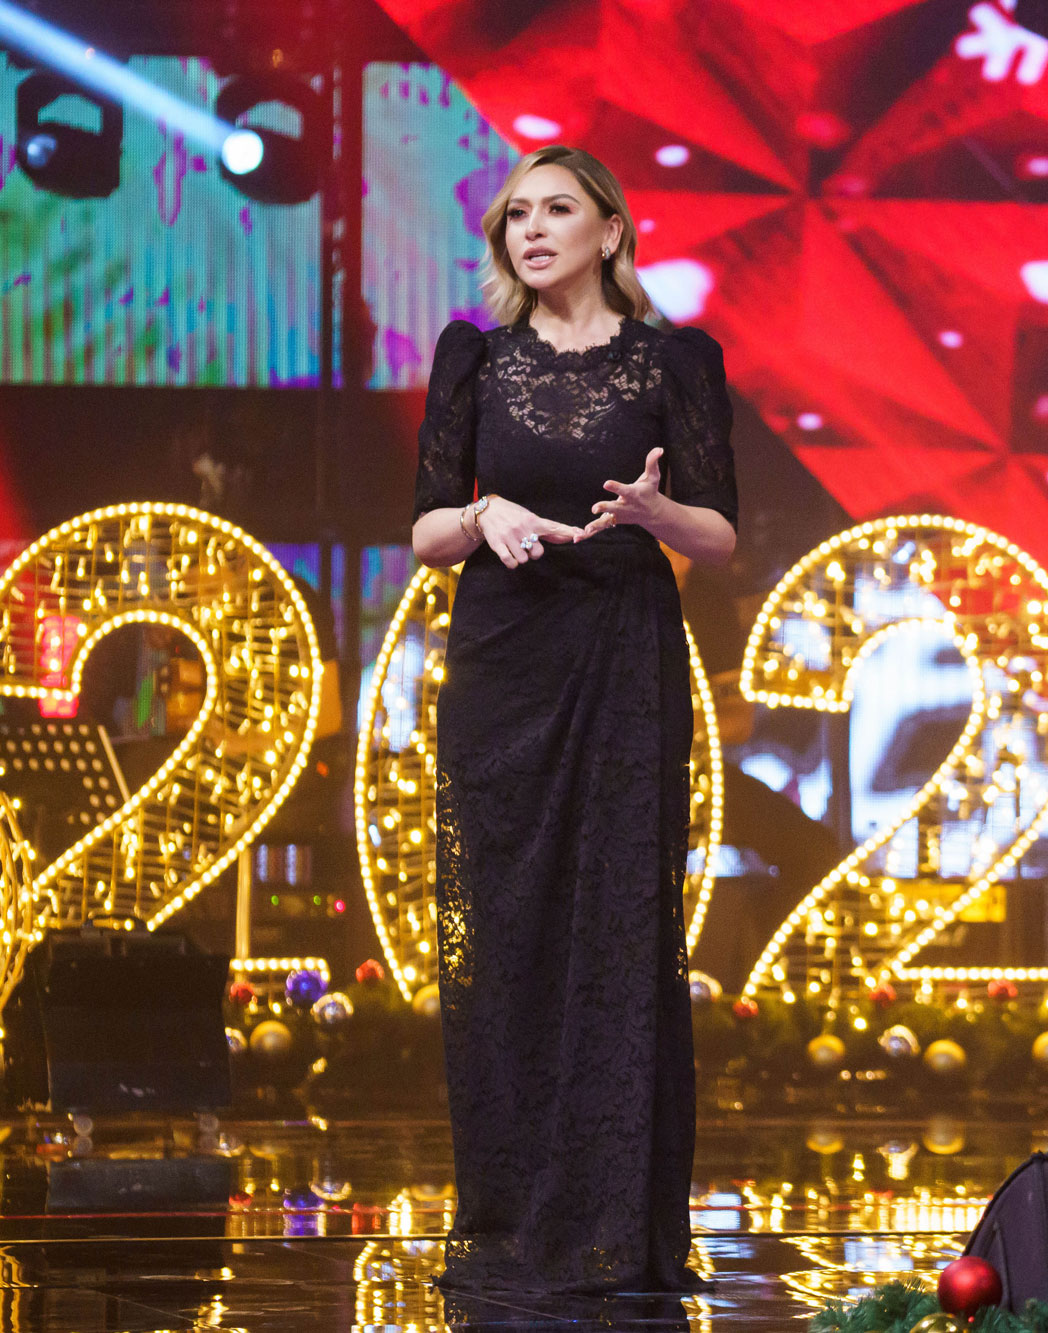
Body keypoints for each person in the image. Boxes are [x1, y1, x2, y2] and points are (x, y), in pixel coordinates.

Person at [409, 144, 736, 1296]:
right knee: (503, 930)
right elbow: (426, 531)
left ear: (610, 230)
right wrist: (482, 512)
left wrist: (654, 510)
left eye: (557, 210)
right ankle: (505, 1220)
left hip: (621, 657)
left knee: (617, 926)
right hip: (504, 662)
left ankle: (609, 1227)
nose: (532, 230)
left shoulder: (675, 360)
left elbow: (718, 534)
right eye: (516, 216)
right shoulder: (475, 358)